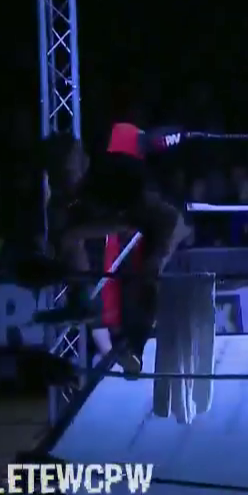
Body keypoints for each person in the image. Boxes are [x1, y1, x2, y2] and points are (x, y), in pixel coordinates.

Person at [42, 122, 189, 376]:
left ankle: (136, 348)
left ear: (82, 162)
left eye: (65, 172)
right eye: (56, 175)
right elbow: (62, 231)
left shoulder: (110, 173)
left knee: (149, 270)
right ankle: (82, 299)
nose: (61, 181)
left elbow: (136, 218)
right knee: (68, 234)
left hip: (161, 219)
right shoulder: (64, 193)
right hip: (127, 217)